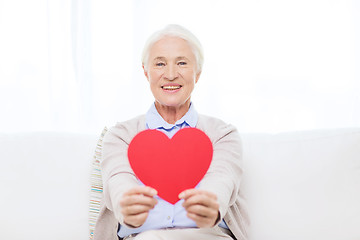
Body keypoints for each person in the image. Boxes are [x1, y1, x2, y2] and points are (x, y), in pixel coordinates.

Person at [93, 24, 249, 240]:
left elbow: (222, 181)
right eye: (159, 64)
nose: (170, 74)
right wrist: (127, 207)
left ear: (198, 73)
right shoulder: (120, 135)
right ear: (146, 72)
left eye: (182, 63)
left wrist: (210, 207)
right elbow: (118, 183)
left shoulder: (223, 134)